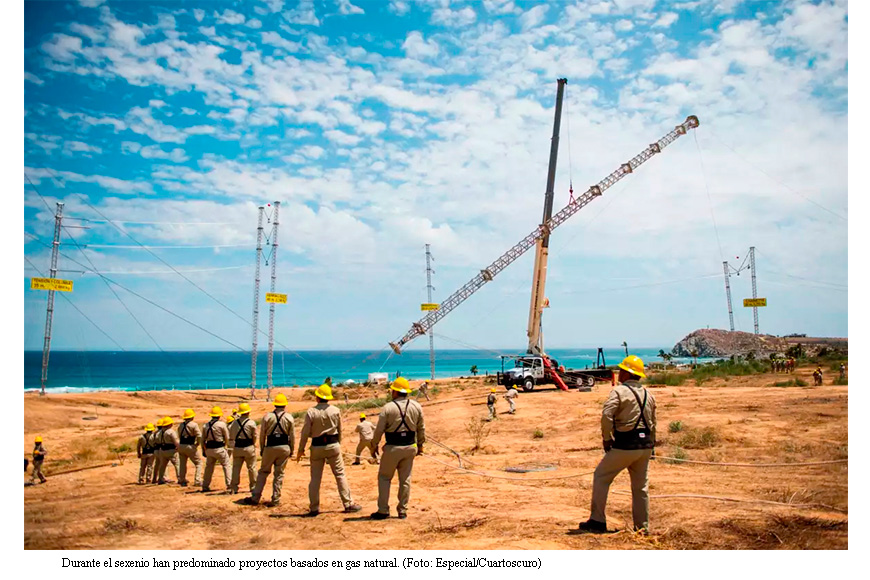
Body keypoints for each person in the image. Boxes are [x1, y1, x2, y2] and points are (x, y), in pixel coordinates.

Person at [579, 355, 656, 534]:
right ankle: (642, 528)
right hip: (644, 446)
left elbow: (607, 416)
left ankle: (597, 520)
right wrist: (651, 447)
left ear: (626, 373)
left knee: (601, 477)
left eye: (621, 370)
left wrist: (607, 438)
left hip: (625, 445)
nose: (618, 373)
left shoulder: (619, 392)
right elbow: (653, 422)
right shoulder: (648, 394)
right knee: (641, 487)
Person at [296, 384, 361, 516]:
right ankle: (348, 504)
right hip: (333, 445)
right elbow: (339, 430)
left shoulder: (311, 412)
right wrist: (339, 444)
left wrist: (301, 449)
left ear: (317, 398)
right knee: (340, 475)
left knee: (315, 479)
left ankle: (314, 508)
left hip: (317, 447)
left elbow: (305, 433)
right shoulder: (335, 410)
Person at [369, 376, 425, 520]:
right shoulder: (416, 406)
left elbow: (379, 430)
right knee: (405, 479)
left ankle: (383, 510)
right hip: (410, 446)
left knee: (384, 477)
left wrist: (374, 446)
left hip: (393, 447)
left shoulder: (388, 408)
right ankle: (403, 510)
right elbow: (421, 428)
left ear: (394, 392)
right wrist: (420, 446)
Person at [244, 393, 295, 506]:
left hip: (270, 446)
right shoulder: (289, 417)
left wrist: (262, 448)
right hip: (284, 446)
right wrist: (292, 449)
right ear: (285, 405)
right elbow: (292, 436)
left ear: (275, 405)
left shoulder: (267, 417)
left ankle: (255, 497)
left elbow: (262, 435)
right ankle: (276, 499)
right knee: (279, 474)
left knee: (263, 472)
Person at [229, 402, 258, 495]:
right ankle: (253, 487)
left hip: (237, 447)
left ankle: (234, 488)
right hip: (248, 446)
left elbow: (232, 435)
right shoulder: (251, 423)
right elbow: (255, 436)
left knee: (236, 468)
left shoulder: (234, 423)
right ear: (248, 412)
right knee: (252, 468)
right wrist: (252, 444)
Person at [200, 406, 231, 493]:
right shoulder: (222, 424)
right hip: (219, 448)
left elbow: (202, 439)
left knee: (209, 468)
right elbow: (227, 437)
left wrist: (203, 450)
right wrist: (226, 446)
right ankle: (229, 485)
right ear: (219, 415)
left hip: (209, 449)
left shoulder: (205, 425)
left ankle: (205, 486)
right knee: (226, 465)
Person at [176, 408, 203, 488]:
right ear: (192, 417)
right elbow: (199, 435)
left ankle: (181, 479)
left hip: (181, 445)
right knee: (198, 463)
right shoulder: (194, 425)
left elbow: (179, 435)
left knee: (182, 464)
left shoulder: (181, 425)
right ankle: (197, 480)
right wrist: (197, 443)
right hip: (190, 446)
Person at [154, 416, 180, 484]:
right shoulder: (171, 432)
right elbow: (175, 441)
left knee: (162, 466)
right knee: (177, 464)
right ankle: (180, 478)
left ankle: (160, 479)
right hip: (171, 450)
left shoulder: (159, 433)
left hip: (163, 450)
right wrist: (179, 447)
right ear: (169, 424)